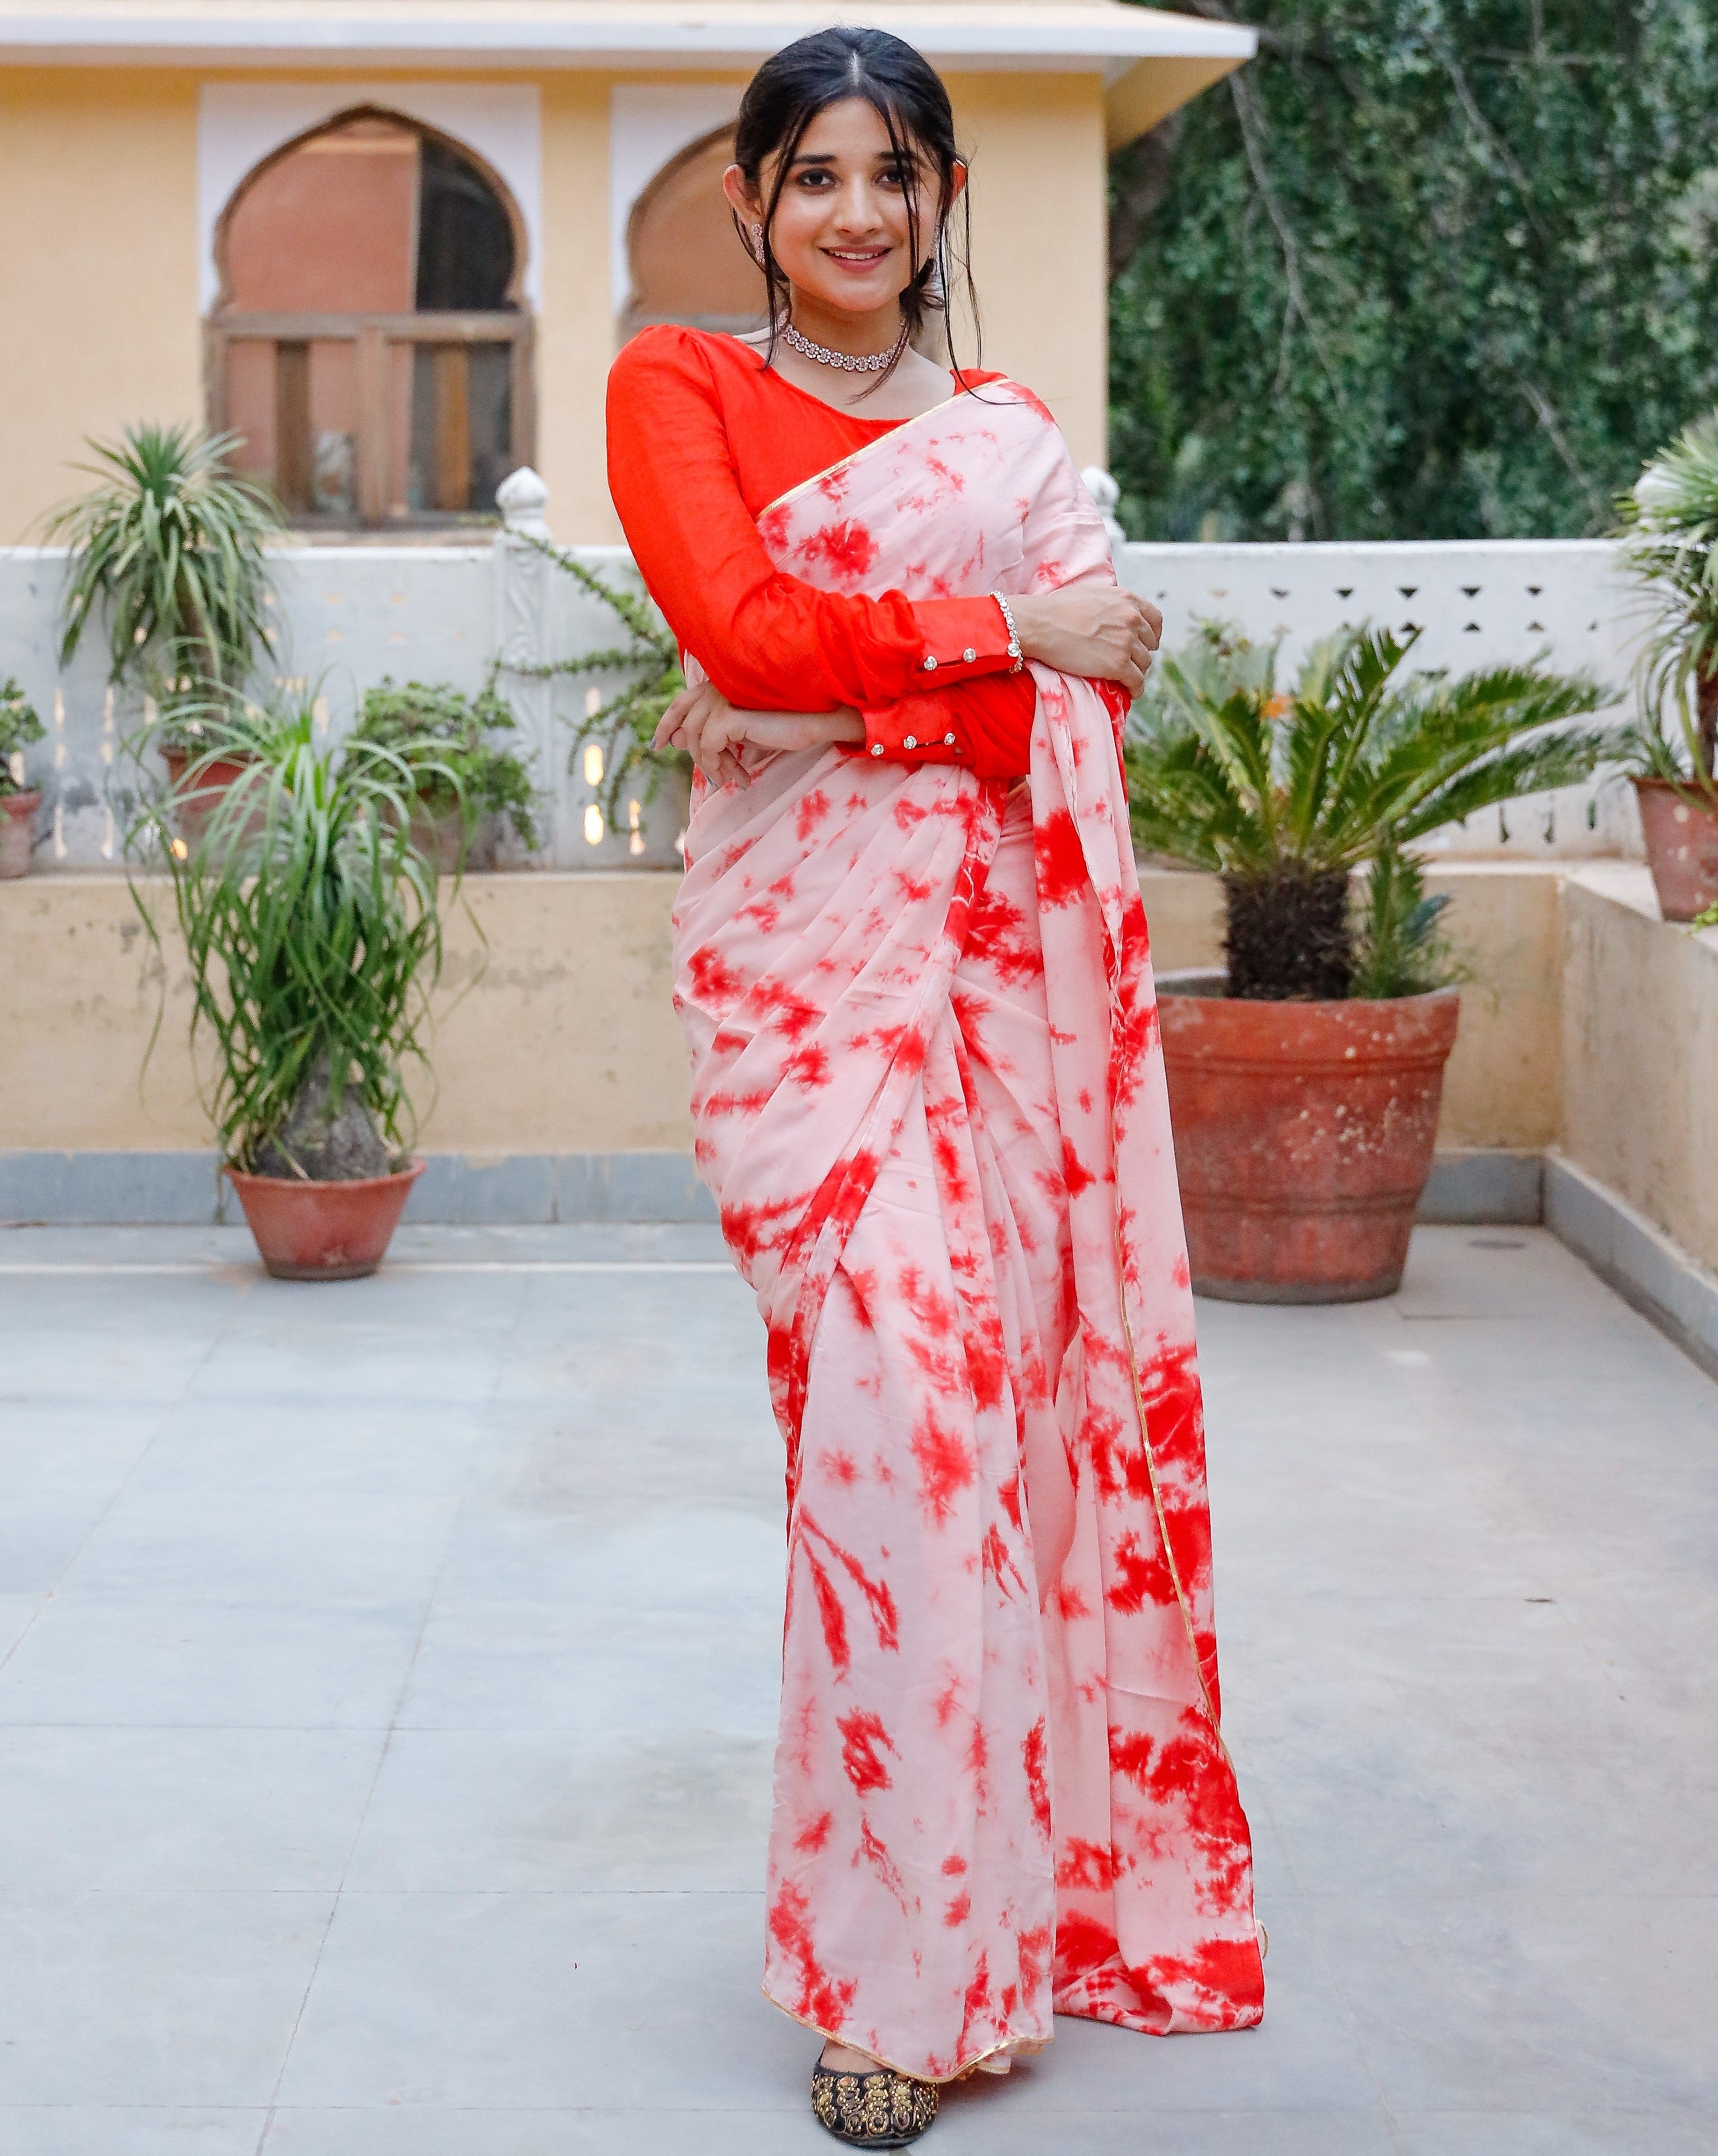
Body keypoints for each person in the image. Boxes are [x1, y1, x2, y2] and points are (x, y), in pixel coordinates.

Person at [606, 28, 1265, 2147]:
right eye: (814, 176)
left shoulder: (1000, 431)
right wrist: (1000, 640)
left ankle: (1010, 1926)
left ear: (942, 197)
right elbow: (741, 642)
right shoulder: (678, 388)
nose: (857, 214)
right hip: (810, 1010)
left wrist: (931, 675)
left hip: (1008, 1004)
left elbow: (1081, 670)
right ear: (750, 201)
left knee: (1004, 1445)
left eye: (893, 174)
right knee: (893, 1437)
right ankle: (896, 1963)